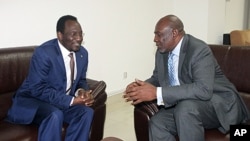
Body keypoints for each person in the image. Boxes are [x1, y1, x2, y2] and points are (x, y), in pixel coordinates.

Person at [123, 14, 250, 141]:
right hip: (186, 104)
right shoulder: (162, 52)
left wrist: (157, 92)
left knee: (185, 109)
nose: (154, 39)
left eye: (159, 34)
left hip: (216, 103)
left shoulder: (198, 50)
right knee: (157, 123)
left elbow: (203, 90)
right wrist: (140, 87)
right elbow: (157, 78)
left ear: (174, 33)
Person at [6, 15, 94, 141]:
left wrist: (82, 92)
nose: (79, 38)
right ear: (60, 35)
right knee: (54, 114)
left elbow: (81, 80)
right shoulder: (44, 53)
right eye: (73, 34)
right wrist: (71, 101)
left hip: (58, 101)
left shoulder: (82, 54)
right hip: (33, 100)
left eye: (81, 34)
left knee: (86, 112)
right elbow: (37, 89)